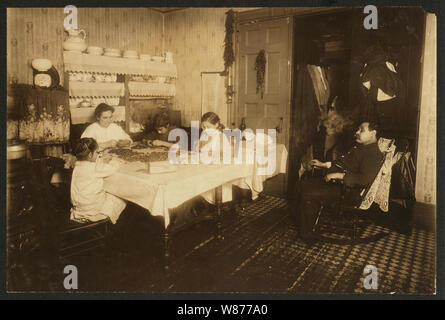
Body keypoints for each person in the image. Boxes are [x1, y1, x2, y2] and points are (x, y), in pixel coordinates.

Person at [295, 121, 384, 241]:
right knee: (303, 186)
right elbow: (344, 163)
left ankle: (307, 233)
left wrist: (338, 175)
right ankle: (309, 217)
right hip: (337, 184)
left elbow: (364, 180)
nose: (356, 132)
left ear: (373, 133)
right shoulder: (362, 147)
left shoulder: (373, 154)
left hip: (348, 191)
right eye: (358, 129)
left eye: (361, 130)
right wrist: (323, 164)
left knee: (308, 192)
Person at [70, 137, 126, 224]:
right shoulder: (94, 168)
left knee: (105, 192)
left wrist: (100, 158)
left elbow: (94, 164)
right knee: (120, 197)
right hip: (92, 208)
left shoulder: (77, 166)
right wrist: (115, 161)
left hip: (79, 206)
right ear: (90, 155)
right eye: (97, 152)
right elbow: (112, 168)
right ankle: (112, 224)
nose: (98, 155)